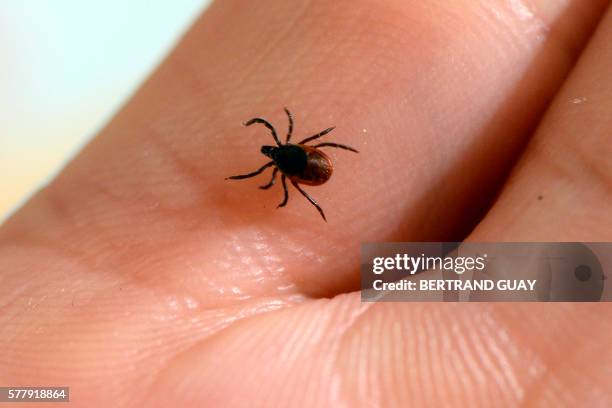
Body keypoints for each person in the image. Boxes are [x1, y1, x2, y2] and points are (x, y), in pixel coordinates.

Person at [1, 0, 610, 406]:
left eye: (273, 148)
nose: (273, 154)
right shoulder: (295, 154)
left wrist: (285, 182)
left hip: (318, 177)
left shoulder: (290, 161)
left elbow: (279, 169)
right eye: (273, 153)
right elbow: (290, 153)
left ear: (283, 148)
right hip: (320, 176)